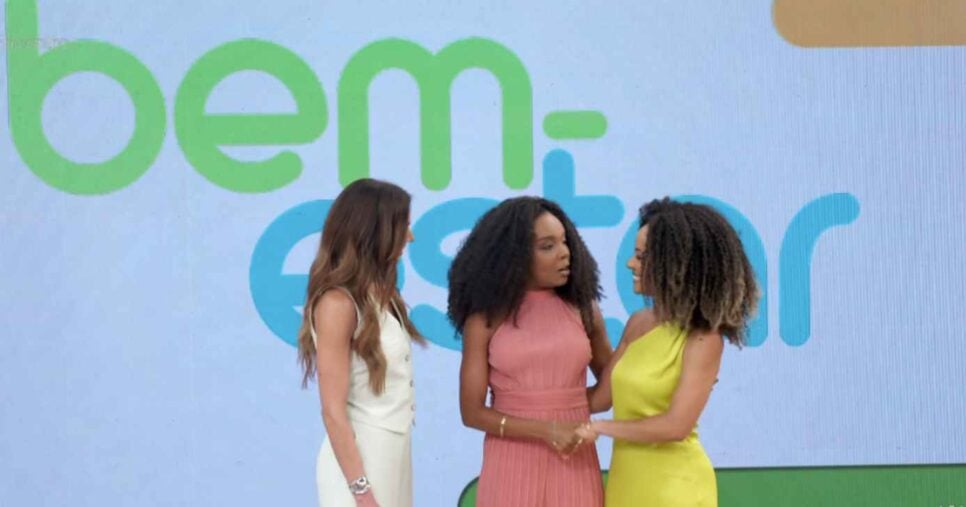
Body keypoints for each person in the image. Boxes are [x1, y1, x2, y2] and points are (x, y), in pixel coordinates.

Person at [579, 198, 759, 507]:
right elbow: (599, 399)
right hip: (626, 486)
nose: (630, 264)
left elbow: (676, 426)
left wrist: (602, 428)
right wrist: (529, 401)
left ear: (675, 265)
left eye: (641, 257)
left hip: (675, 489)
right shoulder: (638, 323)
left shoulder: (704, 339)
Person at [449, 196, 612, 507]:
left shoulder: (585, 310)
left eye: (565, 242)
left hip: (574, 460)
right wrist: (546, 427)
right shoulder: (484, 319)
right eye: (547, 246)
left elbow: (613, 387)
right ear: (514, 257)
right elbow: (472, 412)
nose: (565, 253)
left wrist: (568, 408)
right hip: (511, 462)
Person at [296, 179, 424, 507]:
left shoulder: (383, 297)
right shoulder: (337, 304)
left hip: (395, 458)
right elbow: (332, 411)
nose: (410, 236)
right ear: (375, 231)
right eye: (402, 226)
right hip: (359, 465)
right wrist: (362, 491)